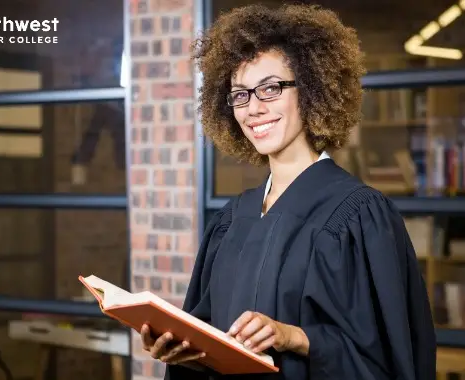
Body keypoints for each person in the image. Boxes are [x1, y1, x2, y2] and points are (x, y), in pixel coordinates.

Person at [141, 3, 436, 379]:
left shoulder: (360, 216)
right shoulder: (231, 222)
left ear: (311, 90)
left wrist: (294, 337)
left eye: (270, 89)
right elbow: (214, 338)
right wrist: (182, 346)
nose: (254, 109)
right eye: (241, 94)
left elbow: (388, 358)